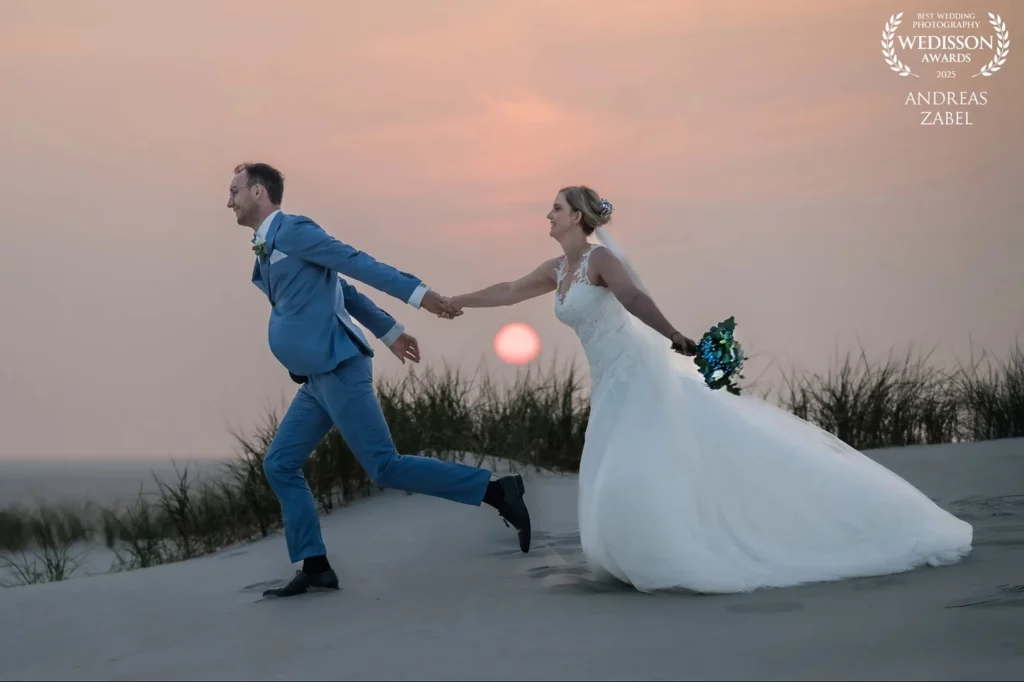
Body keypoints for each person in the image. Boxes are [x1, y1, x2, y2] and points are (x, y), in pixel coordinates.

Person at [446, 185, 973, 594]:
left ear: (578, 217)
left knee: (637, 465)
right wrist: (456, 300)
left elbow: (633, 299)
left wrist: (674, 333)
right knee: (617, 467)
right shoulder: (559, 268)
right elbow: (512, 290)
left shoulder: (600, 261)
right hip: (607, 380)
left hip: (635, 371)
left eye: (556, 207)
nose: (549, 215)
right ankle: (637, 555)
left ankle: (667, 553)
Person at [228, 162, 531, 598]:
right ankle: (314, 565)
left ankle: (497, 492)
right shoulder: (269, 244)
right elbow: (341, 290)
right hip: (316, 380)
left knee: (384, 466)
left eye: (235, 191)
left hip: (339, 367)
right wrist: (388, 331)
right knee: (279, 463)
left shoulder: (292, 231)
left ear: (259, 192)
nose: (229, 201)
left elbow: (355, 264)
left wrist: (422, 296)